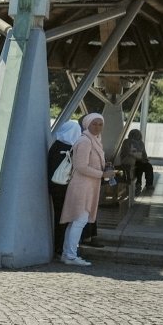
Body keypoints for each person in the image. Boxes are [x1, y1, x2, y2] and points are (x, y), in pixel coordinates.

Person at [59, 112, 115, 266]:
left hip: (88, 186)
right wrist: (102, 174)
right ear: (87, 124)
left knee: (76, 221)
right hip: (82, 186)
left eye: (100, 124)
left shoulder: (95, 140)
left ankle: (67, 253)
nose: (97, 127)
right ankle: (70, 255)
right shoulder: (85, 141)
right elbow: (81, 166)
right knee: (80, 220)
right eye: (94, 124)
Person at [47, 119, 81, 258]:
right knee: (64, 218)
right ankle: (60, 247)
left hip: (53, 186)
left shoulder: (55, 146)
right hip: (65, 188)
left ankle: (58, 246)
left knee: (58, 216)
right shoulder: (71, 149)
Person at [118, 127, 155, 194]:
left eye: (137, 135)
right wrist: (136, 155)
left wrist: (144, 159)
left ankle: (149, 184)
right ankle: (138, 183)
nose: (136, 136)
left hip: (139, 160)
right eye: (134, 134)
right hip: (129, 161)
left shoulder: (141, 143)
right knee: (139, 166)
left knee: (148, 166)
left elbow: (144, 154)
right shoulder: (126, 141)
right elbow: (127, 152)